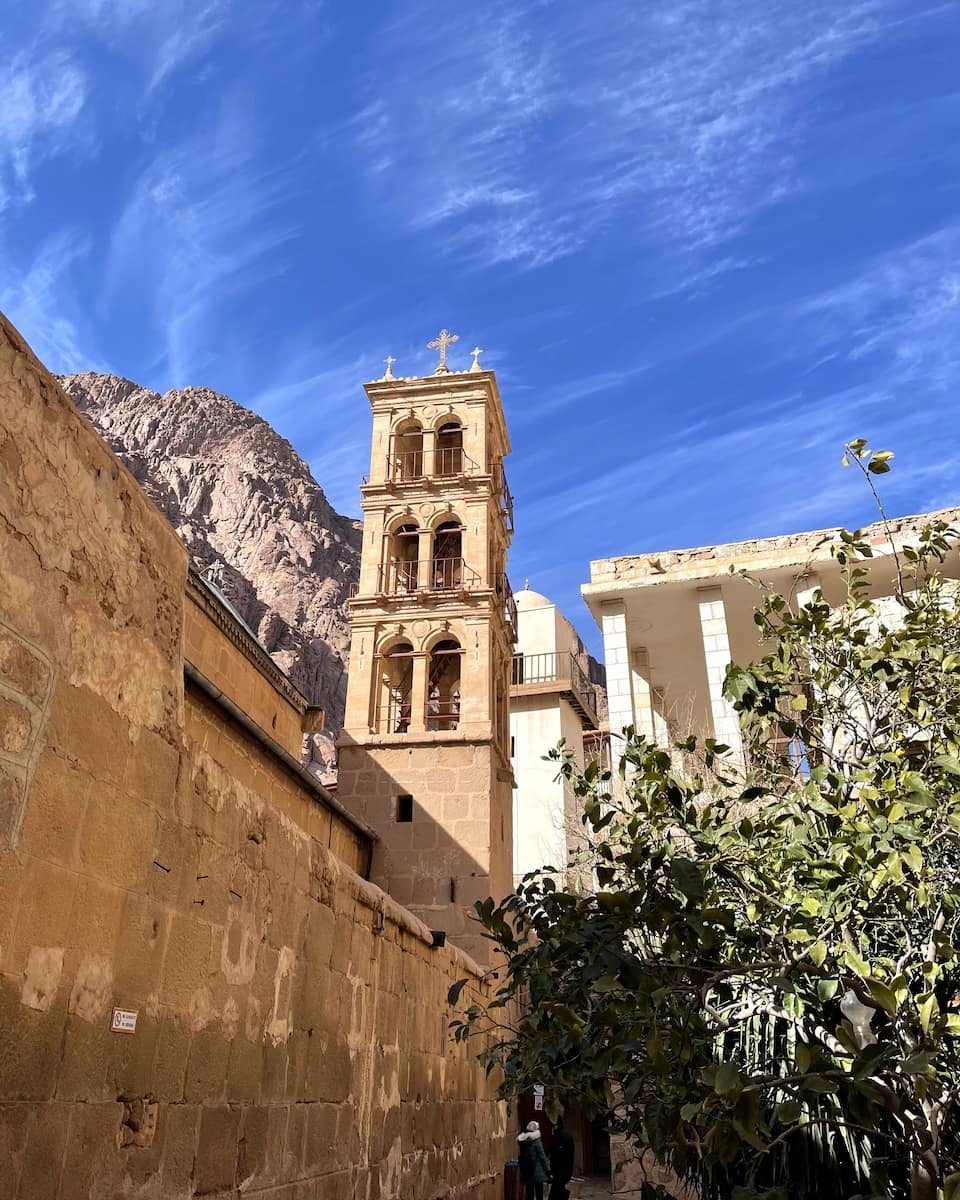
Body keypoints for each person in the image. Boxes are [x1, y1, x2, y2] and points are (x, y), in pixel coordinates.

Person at [517, 1120, 550, 1200]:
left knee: (529, 1193)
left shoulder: (522, 1141)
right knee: (539, 1193)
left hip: (527, 1171)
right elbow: (542, 1156)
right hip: (537, 1171)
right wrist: (548, 1170)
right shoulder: (536, 1140)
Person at [548, 1117, 575, 1200]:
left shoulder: (557, 1137)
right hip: (567, 1170)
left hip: (559, 1171)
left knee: (556, 1192)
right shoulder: (568, 1136)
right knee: (560, 1189)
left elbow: (555, 1156)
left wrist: (551, 1170)